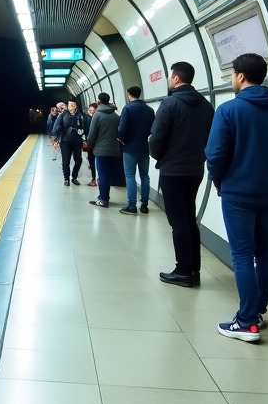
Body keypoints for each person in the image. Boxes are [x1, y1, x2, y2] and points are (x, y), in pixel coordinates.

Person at [204, 53, 268, 342]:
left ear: (240, 76)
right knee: (263, 252)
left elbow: (215, 154)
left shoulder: (229, 110)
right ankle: (259, 310)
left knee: (242, 256)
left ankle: (247, 321)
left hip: (238, 193)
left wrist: (218, 178)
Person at [149, 62, 214, 287]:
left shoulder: (169, 105)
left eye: (169, 77)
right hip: (195, 169)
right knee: (189, 219)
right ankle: (193, 269)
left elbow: (156, 138)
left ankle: (183, 271)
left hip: (172, 171)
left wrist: (158, 155)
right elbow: (211, 137)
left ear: (176, 79)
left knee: (178, 222)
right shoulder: (206, 106)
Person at [118, 86, 155, 216]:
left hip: (129, 147)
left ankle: (132, 206)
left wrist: (121, 139)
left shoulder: (127, 108)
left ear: (129, 94)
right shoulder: (150, 110)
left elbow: (122, 129)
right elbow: (153, 129)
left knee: (130, 176)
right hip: (145, 147)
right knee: (145, 176)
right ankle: (144, 204)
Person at [87, 93, 121, 208]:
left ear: (99, 101)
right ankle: (105, 196)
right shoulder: (116, 115)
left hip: (101, 151)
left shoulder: (97, 115)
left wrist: (89, 145)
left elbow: (92, 134)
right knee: (108, 174)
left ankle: (103, 199)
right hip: (114, 149)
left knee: (102, 175)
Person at [52, 100, 86, 186]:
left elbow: (85, 127)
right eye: (71, 104)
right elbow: (56, 127)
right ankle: (66, 178)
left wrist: (85, 139)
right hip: (65, 141)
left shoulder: (80, 115)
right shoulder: (63, 115)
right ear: (68, 106)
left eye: (74, 103)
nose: (73, 105)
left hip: (77, 140)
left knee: (78, 160)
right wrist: (55, 140)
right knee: (66, 160)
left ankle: (74, 176)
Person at [83, 103, 98, 186]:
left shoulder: (95, 118)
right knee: (92, 161)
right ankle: (94, 178)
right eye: (90, 109)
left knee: (93, 160)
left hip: (94, 143)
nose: (90, 111)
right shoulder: (87, 118)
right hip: (92, 143)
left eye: (92, 110)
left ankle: (95, 179)